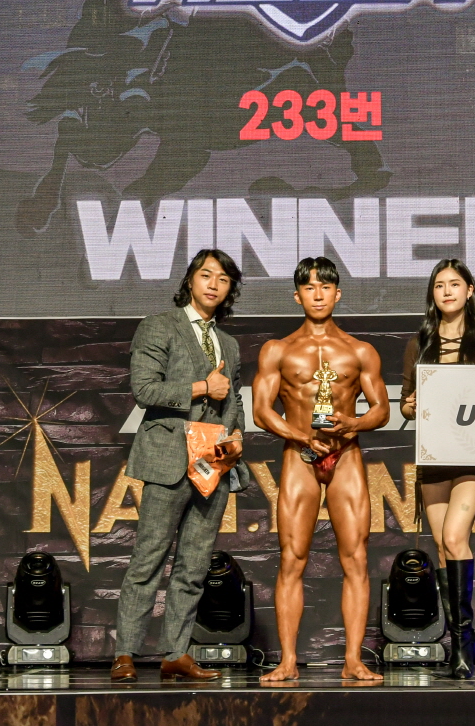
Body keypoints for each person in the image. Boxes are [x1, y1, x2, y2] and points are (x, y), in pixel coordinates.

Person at [111, 249, 249, 682]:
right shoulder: (159, 326)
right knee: (148, 558)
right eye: (206, 275)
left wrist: (237, 437)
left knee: (194, 566)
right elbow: (144, 390)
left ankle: (176, 652)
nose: (213, 284)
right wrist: (202, 386)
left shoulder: (229, 344)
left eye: (222, 279)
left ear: (229, 290)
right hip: (169, 459)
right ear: (190, 280)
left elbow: (235, 400)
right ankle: (125, 653)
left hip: (213, 465)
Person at [252, 257, 389, 682]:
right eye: (309, 287)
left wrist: (354, 423)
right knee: (292, 558)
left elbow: (381, 409)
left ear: (337, 294)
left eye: (325, 287)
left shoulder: (360, 351)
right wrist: (299, 435)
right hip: (300, 456)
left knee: (356, 557)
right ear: (297, 296)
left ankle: (353, 660)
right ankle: (288, 661)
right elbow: (261, 411)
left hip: (345, 454)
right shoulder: (277, 350)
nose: (317, 294)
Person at [399, 259, 475, 679]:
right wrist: (410, 405)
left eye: (455, 284)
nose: (447, 291)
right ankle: (462, 639)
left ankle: (461, 643)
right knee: (442, 548)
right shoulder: (420, 344)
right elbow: (407, 401)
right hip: (435, 455)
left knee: (454, 536)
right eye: (439, 285)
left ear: (470, 290)